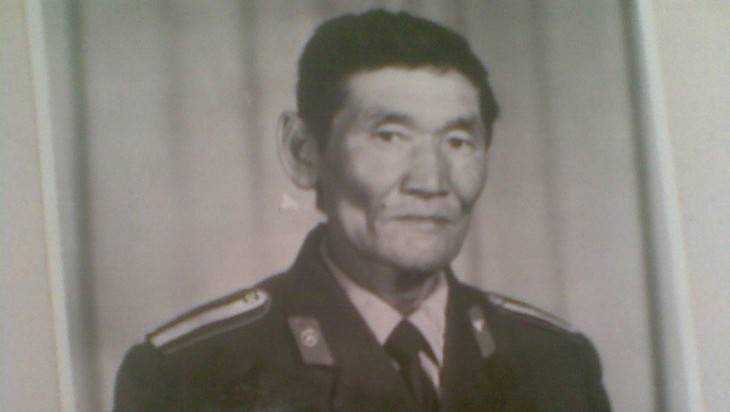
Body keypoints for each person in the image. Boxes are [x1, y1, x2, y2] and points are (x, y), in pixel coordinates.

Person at [113, 9, 611, 411]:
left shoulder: (555, 363)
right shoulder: (195, 374)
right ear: (304, 152)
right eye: (390, 136)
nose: (431, 181)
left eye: (458, 141)